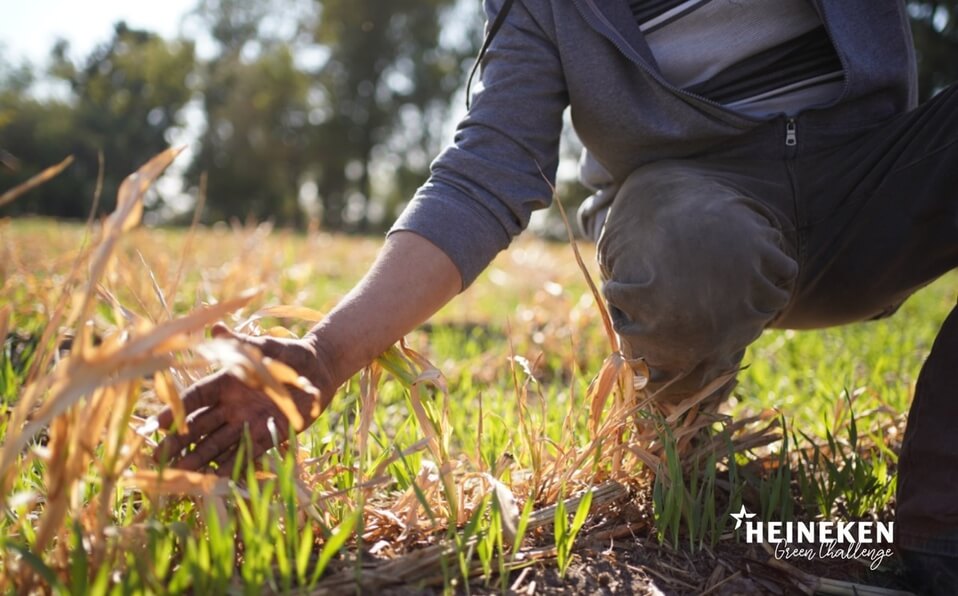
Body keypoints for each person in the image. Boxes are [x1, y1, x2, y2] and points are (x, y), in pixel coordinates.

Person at [153, 0, 958, 591]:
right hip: (700, 212)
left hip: (879, 175)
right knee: (681, 237)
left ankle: (939, 540)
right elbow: (484, 172)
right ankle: (673, 446)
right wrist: (324, 355)